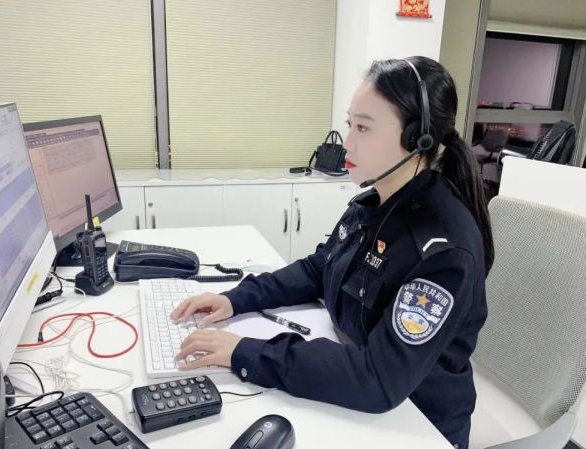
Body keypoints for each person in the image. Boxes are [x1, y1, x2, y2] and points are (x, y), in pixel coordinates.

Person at [170, 56, 494, 449]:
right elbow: (319, 268)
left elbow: (378, 379)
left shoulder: (443, 252)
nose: (348, 142)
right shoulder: (376, 202)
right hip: (359, 389)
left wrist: (246, 353)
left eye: (363, 127)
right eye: (349, 124)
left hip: (416, 424)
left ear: (416, 139)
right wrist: (236, 298)